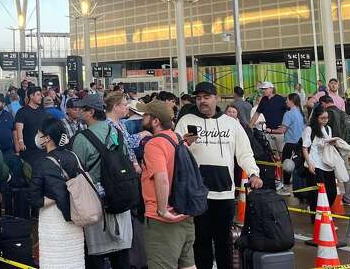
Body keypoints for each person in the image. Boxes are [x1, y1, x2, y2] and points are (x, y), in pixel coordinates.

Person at [175, 82, 261, 269]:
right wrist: (183, 143)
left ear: (216, 98)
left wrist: (254, 173)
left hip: (224, 193)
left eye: (206, 97)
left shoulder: (231, 123)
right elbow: (175, 152)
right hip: (198, 194)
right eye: (198, 98)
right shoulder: (186, 121)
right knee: (201, 242)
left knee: (224, 242)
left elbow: (244, 153)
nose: (202, 101)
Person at [70, 94, 133, 269]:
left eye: (82, 109)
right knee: (121, 259)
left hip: (96, 207)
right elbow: (126, 158)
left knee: (95, 259)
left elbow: (77, 173)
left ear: (91, 112)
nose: (78, 112)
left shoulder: (82, 139)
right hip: (121, 201)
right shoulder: (117, 132)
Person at [138, 100, 195, 269]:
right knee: (188, 265)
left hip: (163, 219)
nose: (142, 118)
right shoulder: (177, 138)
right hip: (184, 213)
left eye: (146, 115)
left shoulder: (154, 144)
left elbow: (162, 178)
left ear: (155, 121)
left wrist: (162, 210)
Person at [28, 117, 86, 269]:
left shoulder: (41, 163)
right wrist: (67, 191)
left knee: (55, 262)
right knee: (74, 261)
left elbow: (34, 199)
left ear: (47, 138)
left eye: (39, 134)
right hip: (75, 215)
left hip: (52, 221)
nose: (37, 137)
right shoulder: (73, 157)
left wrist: (54, 197)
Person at [301, 109, 343, 222]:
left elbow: (327, 144)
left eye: (326, 118)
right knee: (317, 193)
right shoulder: (309, 130)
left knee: (332, 192)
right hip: (315, 164)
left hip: (327, 163)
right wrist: (309, 163)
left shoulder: (328, 129)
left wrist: (332, 143)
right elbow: (305, 148)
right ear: (316, 118)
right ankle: (317, 218)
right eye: (322, 118)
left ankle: (324, 212)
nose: (325, 120)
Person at [250, 81, 287, 155]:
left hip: (279, 132)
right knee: (272, 154)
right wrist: (250, 126)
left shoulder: (281, 99)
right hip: (268, 131)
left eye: (265, 89)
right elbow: (257, 113)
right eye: (263, 89)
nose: (263, 91)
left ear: (271, 89)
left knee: (282, 153)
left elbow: (289, 113)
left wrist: (285, 126)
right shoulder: (263, 100)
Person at [15, 86, 48, 164]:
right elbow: (19, 130)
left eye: (41, 95)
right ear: (31, 96)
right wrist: (20, 142)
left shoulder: (43, 111)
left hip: (43, 149)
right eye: (38, 95)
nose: (41, 97)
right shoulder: (22, 112)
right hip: (29, 151)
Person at [280, 93, 305, 192]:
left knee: (287, 166)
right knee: (297, 167)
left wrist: (269, 130)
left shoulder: (288, 114)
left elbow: (282, 130)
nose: (286, 102)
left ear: (292, 101)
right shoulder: (300, 113)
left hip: (290, 144)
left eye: (287, 100)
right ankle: (300, 189)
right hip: (300, 144)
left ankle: (285, 188)